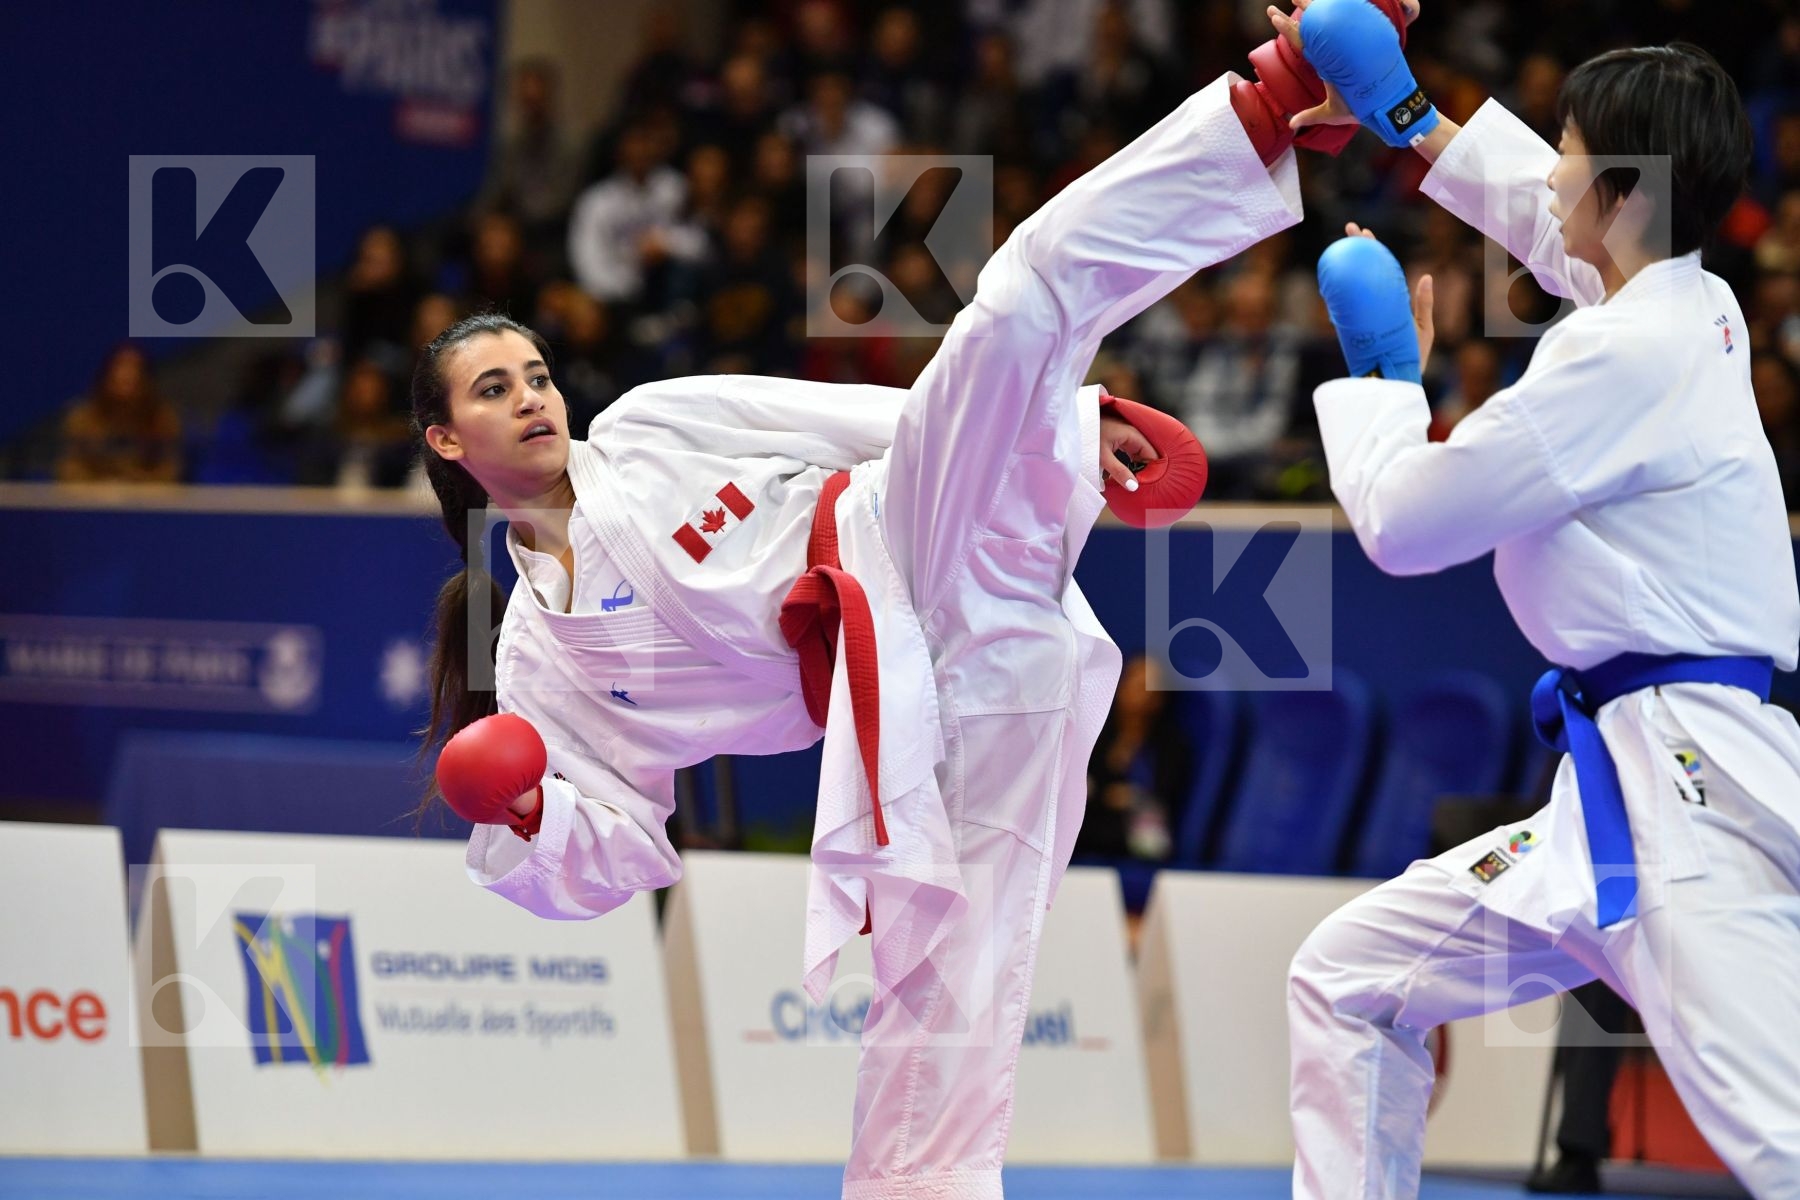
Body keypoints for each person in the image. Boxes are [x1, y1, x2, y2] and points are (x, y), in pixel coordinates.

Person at [415, 6, 1407, 1195]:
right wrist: (527, 812)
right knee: (945, 982)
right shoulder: (537, 657)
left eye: (533, 372)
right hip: (920, 710)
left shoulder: (646, 428)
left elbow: (867, 420)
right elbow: (619, 848)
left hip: (909, 537)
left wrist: (1061, 438)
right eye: (492, 388)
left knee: (1023, 293)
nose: (531, 396)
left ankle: (1277, 100)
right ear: (443, 436)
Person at [1269, 2, 1800, 1194]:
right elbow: (1549, 222)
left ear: (1624, 189)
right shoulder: (1684, 302)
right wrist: (1402, 116)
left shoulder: (1625, 356)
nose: (1549, 164)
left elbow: (1405, 526)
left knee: (1785, 1139)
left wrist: (1385, 383)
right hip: (1612, 792)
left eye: (1568, 144)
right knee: (1347, 979)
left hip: (1685, 803)